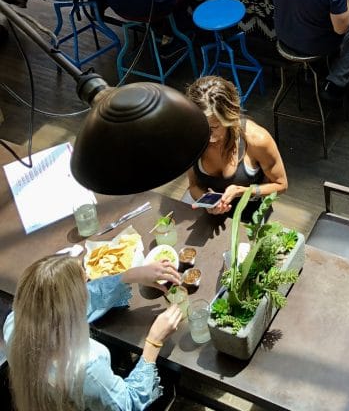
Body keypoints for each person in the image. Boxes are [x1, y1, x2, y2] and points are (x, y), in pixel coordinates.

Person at [5, 254, 182, 411]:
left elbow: (71, 301)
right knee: (171, 369)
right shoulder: (85, 368)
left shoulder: (15, 322)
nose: (89, 278)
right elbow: (128, 404)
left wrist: (129, 276)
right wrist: (154, 341)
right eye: (85, 283)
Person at [186, 76, 287, 219]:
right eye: (200, 127)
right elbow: (194, 186)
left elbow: (281, 185)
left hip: (250, 217)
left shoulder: (256, 140)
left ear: (230, 118)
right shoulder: (190, 137)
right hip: (209, 215)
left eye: (214, 127)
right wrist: (207, 202)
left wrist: (244, 191)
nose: (208, 136)